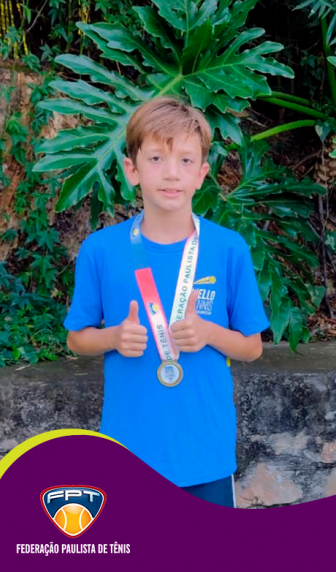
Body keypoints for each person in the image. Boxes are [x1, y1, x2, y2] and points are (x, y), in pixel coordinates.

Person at [64, 97, 269, 506]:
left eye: (186, 160)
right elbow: (76, 339)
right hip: (127, 454)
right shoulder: (101, 250)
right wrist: (112, 338)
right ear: (132, 170)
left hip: (205, 455)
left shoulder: (228, 248)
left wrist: (209, 333)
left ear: (202, 174)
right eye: (156, 158)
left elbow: (252, 348)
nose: (171, 173)